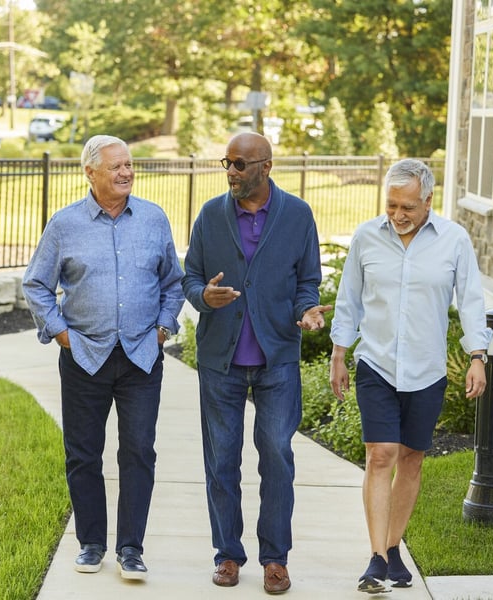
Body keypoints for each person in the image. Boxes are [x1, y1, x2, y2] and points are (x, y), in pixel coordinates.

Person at [22, 134, 185, 581]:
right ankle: (91, 544)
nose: (126, 173)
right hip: (83, 358)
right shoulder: (65, 224)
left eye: (129, 164)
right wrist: (60, 334)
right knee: (83, 455)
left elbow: (174, 282)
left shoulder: (153, 219)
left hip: (141, 358)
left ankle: (131, 548)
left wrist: (165, 326)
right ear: (90, 173)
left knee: (138, 452)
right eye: (115, 167)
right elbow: (35, 283)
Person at [328, 158, 491, 594]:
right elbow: (349, 301)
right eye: (391, 205)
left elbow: (471, 301)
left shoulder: (454, 241)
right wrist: (339, 353)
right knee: (381, 454)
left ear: (428, 201)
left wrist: (478, 356)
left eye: (408, 207)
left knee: (411, 459)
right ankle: (377, 558)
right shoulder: (366, 237)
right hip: (377, 364)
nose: (398, 215)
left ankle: (394, 546)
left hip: (426, 369)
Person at [182, 132, 330, 594]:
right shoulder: (210, 215)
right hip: (220, 361)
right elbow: (189, 278)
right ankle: (227, 554)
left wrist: (307, 310)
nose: (231, 171)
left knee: (278, 460)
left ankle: (275, 559)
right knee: (221, 461)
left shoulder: (298, 215)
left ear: (266, 166)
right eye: (227, 162)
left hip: (277, 359)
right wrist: (204, 297)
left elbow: (308, 280)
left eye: (241, 164)